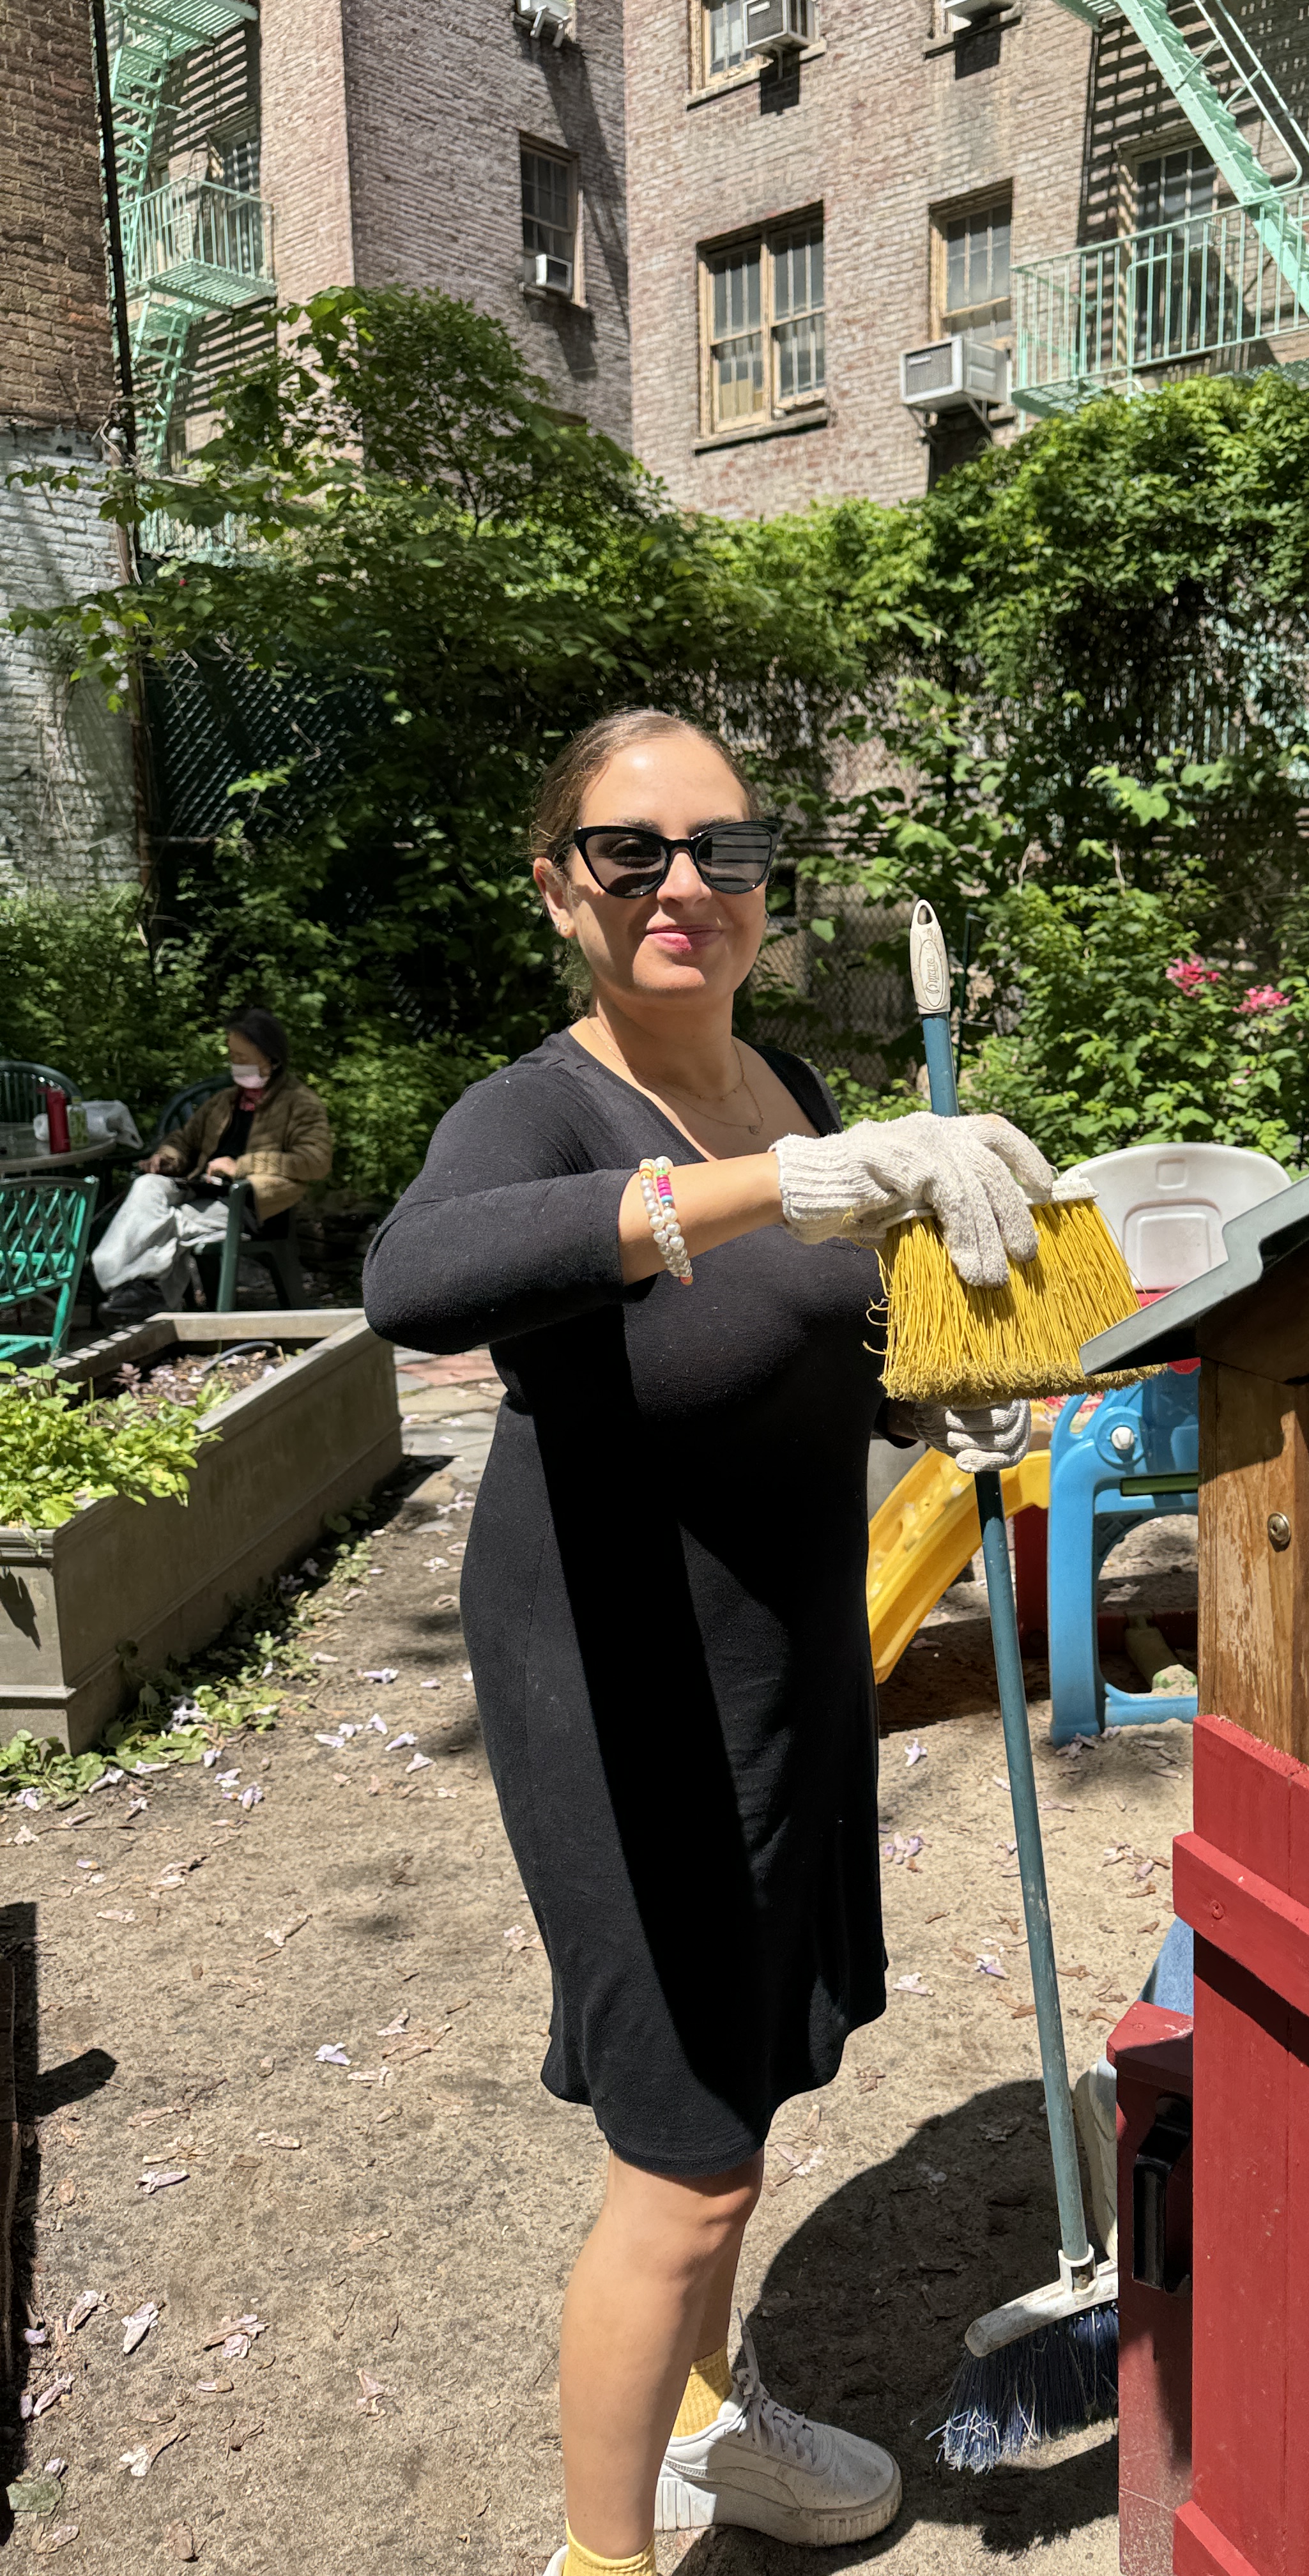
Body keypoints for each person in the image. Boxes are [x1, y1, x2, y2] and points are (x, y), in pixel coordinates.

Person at [360, 709, 1057, 2576]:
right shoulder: (542, 1110)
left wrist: (965, 1387)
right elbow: (409, 1282)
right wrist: (756, 1192)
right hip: (618, 1684)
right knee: (684, 2165)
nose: (689, 889)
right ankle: (606, 2556)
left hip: (784, 1662)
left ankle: (702, 2423)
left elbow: (827, 1347)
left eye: (727, 852)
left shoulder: (803, 1084)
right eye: (634, 853)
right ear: (559, 886)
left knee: (738, 2098)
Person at [91, 1007, 333, 1319]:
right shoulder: (224, 1102)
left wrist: (242, 1166)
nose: (236, 1064)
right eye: (233, 1056)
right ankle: (140, 1292)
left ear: (271, 1057)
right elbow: (184, 1140)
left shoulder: (300, 1103)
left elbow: (316, 1161)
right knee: (147, 1186)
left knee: (164, 1221)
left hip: (250, 1205)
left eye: (243, 1057)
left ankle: (142, 1294)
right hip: (200, 1191)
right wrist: (167, 1159)